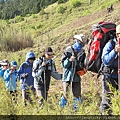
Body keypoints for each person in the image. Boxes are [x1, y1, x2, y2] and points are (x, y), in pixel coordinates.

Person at [60, 34, 87, 110]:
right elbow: (64, 64)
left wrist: (83, 69)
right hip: (67, 76)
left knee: (77, 95)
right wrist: (69, 60)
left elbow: (83, 64)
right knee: (66, 94)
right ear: (77, 41)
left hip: (76, 77)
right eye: (80, 43)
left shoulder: (82, 53)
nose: (81, 45)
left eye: (82, 44)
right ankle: (62, 109)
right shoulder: (68, 50)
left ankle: (76, 110)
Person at [99, 24, 120, 115]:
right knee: (107, 101)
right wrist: (115, 51)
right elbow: (106, 60)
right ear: (117, 35)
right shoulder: (110, 44)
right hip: (109, 77)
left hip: (118, 76)